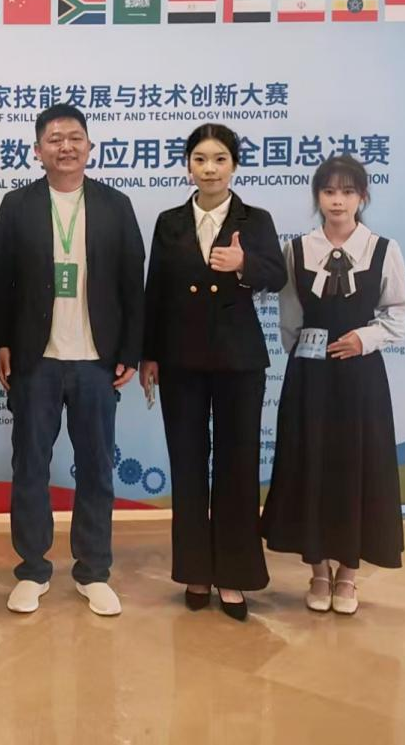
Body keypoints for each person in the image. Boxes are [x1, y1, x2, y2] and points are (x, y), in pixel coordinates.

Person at [0, 103, 146, 618]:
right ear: (38, 150)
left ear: (89, 146)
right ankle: (32, 569)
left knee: (97, 466)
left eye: (75, 137)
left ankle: (93, 570)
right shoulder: (17, 205)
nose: (66, 147)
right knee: (30, 466)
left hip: (97, 361)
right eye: (54, 139)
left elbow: (133, 282)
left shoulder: (115, 205)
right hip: (35, 360)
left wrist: (130, 350)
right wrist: (0, 343)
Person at [140, 123, 286, 620]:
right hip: (180, 360)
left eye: (219, 159)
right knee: (186, 465)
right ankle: (195, 570)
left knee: (237, 465)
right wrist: (149, 354)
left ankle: (234, 575)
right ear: (188, 166)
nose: (209, 168)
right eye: (200, 159)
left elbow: (277, 276)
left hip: (239, 361)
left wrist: (244, 264)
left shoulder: (255, 219)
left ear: (234, 165)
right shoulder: (170, 222)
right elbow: (156, 290)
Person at [262, 154, 405, 615]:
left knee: (355, 464)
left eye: (347, 192)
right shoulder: (297, 250)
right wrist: (305, 351)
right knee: (311, 463)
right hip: (310, 377)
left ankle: (348, 573)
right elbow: (290, 316)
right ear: (318, 197)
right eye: (328, 192)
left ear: (362, 196)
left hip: (360, 378)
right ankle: (318, 571)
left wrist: (364, 339)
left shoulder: (383, 249)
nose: (337, 201)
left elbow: (397, 314)